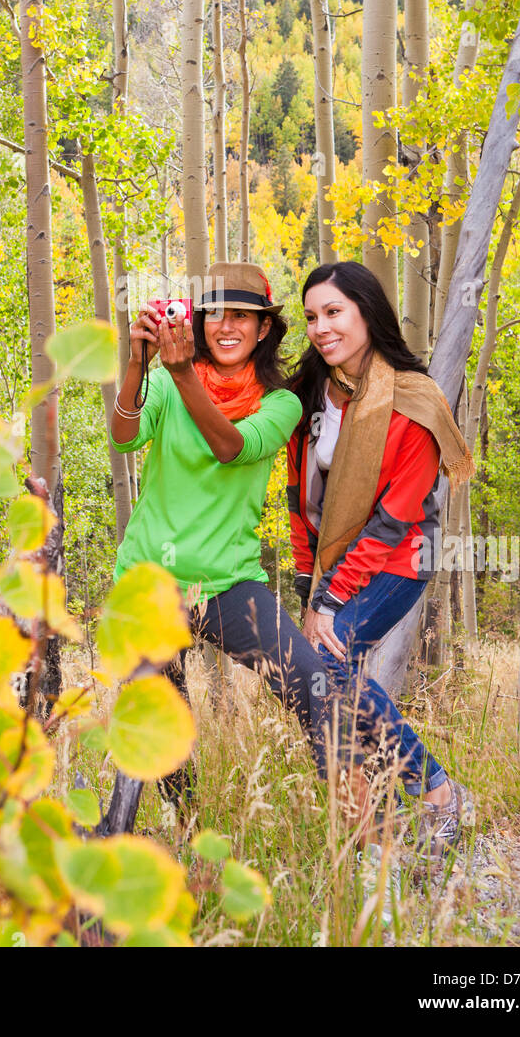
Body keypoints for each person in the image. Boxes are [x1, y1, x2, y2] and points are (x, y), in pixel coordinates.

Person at [110, 261, 332, 776]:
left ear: (264, 330)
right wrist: (137, 366)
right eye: (215, 315)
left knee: (307, 678)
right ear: (198, 323)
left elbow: (231, 448)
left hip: (228, 584)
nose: (227, 326)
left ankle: (358, 819)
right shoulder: (166, 384)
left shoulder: (281, 404)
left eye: (243, 317)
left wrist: (182, 371)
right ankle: (187, 833)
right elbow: (124, 437)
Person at [287, 261, 476, 854]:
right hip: (329, 567)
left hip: (398, 559)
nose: (321, 327)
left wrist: (329, 600)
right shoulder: (313, 395)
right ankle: (384, 831)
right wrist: (305, 581)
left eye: (334, 312)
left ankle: (440, 793)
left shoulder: (414, 401)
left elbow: (396, 517)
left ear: (367, 311)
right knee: (324, 681)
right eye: (312, 316)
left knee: (331, 669)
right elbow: (300, 496)